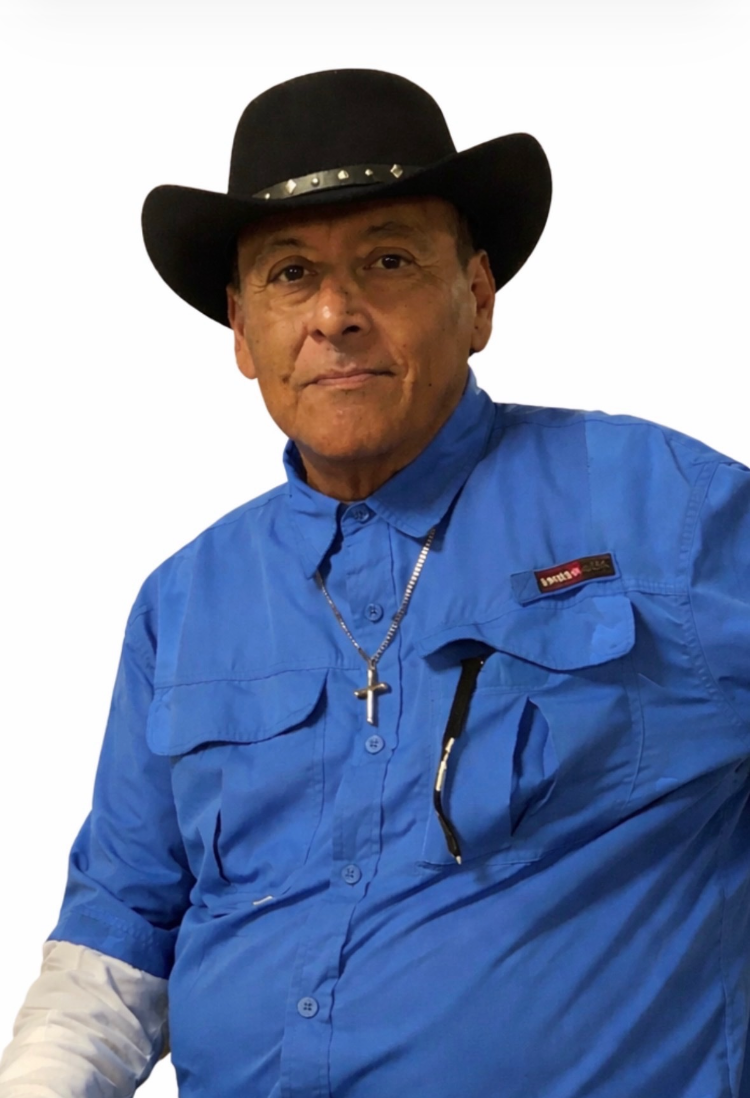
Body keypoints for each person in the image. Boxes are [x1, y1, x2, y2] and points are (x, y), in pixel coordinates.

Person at [1, 67, 748, 1098]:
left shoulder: (661, 508)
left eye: (388, 261)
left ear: (476, 298)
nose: (335, 314)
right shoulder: (183, 602)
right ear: (242, 332)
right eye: (291, 274)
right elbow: (116, 942)